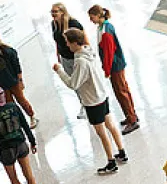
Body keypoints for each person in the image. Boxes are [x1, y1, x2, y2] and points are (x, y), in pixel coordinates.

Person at [53, 28, 128, 174]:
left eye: (68, 42)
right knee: (110, 124)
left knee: (101, 131)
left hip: (92, 101)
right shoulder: (89, 51)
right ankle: (122, 152)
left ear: (75, 42)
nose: (67, 45)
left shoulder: (80, 61)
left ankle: (111, 162)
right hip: (102, 95)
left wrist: (60, 71)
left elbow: (73, 84)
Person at [87, 5, 140, 135]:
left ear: (98, 15)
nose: (91, 20)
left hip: (115, 66)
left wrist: (107, 69)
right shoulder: (103, 27)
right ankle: (131, 115)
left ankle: (132, 120)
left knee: (121, 92)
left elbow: (109, 52)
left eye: (92, 17)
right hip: (116, 65)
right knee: (123, 90)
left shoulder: (106, 30)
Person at [0, 32, 38, 129]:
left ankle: (32, 116)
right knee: (9, 105)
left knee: (22, 101)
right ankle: (17, 122)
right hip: (0, 85)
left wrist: (20, 80)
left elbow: (17, 66)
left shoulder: (7, 51)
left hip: (13, 81)